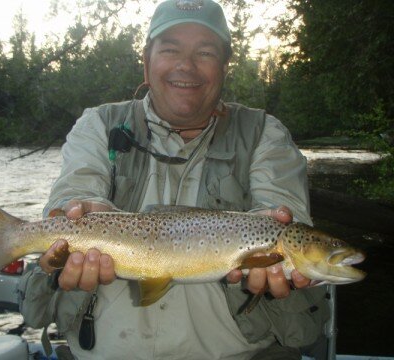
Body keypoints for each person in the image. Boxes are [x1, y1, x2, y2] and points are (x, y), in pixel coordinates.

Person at [18, 1, 329, 359]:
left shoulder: (265, 134)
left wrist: (272, 232)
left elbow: (280, 210)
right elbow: (78, 188)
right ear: (146, 63)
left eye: (205, 51)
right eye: (170, 49)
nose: (186, 65)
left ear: (224, 67)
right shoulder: (98, 125)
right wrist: (81, 211)